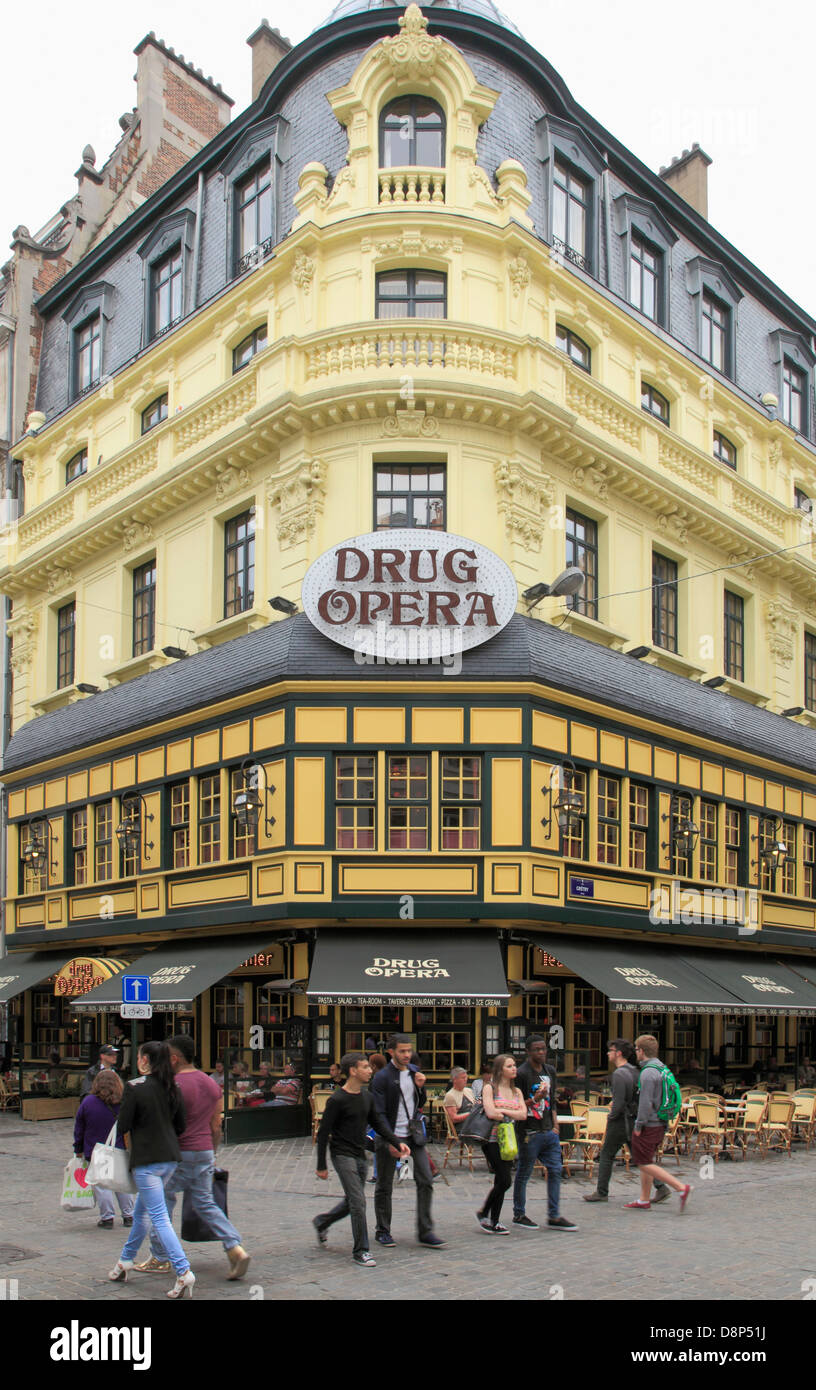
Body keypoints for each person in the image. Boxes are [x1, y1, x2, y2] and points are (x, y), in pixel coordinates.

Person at [142, 1035, 250, 1280]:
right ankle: (234, 1246)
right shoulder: (210, 1083)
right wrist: (212, 1153)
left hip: (178, 1152)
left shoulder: (171, 1084)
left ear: (174, 1057)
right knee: (205, 1202)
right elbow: (216, 1125)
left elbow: (162, 1123)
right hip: (203, 1150)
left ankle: (159, 1256)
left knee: (161, 1200)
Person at [107, 1041, 195, 1299]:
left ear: (145, 1060)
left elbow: (122, 1125)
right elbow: (180, 1125)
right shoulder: (173, 1086)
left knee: (158, 1217)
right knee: (142, 1212)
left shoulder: (135, 1088)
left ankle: (183, 1270)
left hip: (146, 1161)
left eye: (138, 1057)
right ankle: (125, 1260)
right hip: (169, 1157)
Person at [314, 1052, 410, 1266]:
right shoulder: (337, 1099)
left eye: (369, 1067)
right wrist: (321, 1165)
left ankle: (322, 1221)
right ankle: (361, 1250)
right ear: (353, 1071)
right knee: (359, 1202)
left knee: (352, 1201)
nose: (369, 1070)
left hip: (360, 1155)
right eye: (365, 1067)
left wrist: (396, 1142)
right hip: (341, 1155)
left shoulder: (367, 1097)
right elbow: (323, 1133)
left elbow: (377, 1123)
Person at [371, 1033, 446, 1249]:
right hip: (390, 1136)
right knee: (385, 1185)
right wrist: (392, 1141)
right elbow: (379, 1113)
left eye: (409, 1051)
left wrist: (421, 1087)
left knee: (426, 1180)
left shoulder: (413, 1072)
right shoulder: (382, 1077)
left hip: (413, 1136)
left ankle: (425, 1231)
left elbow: (418, 1103)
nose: (407, 1055)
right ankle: (383, 1230)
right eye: (402, 1051)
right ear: (391, 1052)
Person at [583, 1040, 668, 1205]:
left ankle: (601, 1191)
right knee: (639, 1156)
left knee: (607, 1154)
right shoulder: (635, 1071)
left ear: (618, 1053)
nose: (608, 1053)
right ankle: (661, 1186)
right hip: (633, 1119)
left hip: (621, 1120)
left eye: (611, 1050)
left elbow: (619, 1102)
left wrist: (611, 1117)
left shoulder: (620, 1074)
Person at [512, 1034, 577, 1231]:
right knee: (524, 1172)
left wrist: (555, 1125)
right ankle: (519, 1213)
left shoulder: (550, 1071)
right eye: (537, 1049)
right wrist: (535, 1098)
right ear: (528, 1052)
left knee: (556, 1170)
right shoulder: (522, 1074)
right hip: (529, 1131)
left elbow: (553, 1102)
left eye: (543, 1049)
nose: (541, 1052)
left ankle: (554, 1215)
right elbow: (516, 1105)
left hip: (548, 1130)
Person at [624, 1035, 692, 1213]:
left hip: (650, 1124)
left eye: (636, 1050)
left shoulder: (647, 1073)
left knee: (643, 1162)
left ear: (641, 1051)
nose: (636, 1053)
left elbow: (645, 1104)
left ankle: (680, 1187)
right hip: (661, 1122)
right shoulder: (662, 1068)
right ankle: (644, 1199)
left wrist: (638, 1126)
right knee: (646, 1159)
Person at [73, 1069, 135, 1228]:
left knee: (101, 1184)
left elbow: (79, 1128)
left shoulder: (88, 1102)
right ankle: (129, 1215)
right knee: (121, 1183)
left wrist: (78, 1148)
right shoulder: (124, 1102)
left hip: (94, 1150)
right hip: (119, 1148)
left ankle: (107, 1217)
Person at [478, 1054, 526, 1233]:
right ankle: (490, 1217)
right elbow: (491, 1112)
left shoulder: (517, 1092)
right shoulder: (490, 1088)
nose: (514, 1068)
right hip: (492, 1139)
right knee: (505, 1180)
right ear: (500, 1070)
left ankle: (488, 1216)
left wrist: (503, 1110)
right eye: (509, 1066)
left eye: (514, 1065)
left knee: (501, 1180)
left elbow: (523, 1114)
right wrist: (509, 1112)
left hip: (509, 1140)